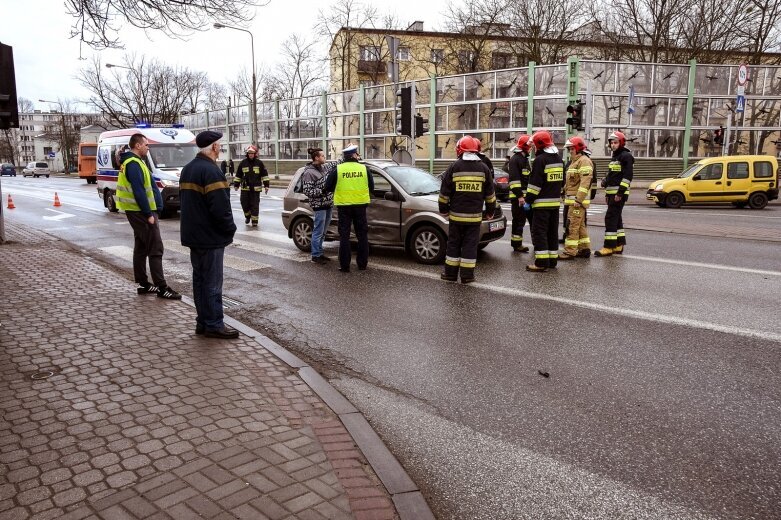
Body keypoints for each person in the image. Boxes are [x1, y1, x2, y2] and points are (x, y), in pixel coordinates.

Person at [179, 130, 239, 339]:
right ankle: (214, 323)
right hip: (210, 238)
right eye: (219, 145)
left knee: (200, 280)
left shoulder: (188, 169)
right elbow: (220, 208)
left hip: (194, 236)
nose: (220, 148)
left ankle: (203, 321)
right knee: (212, 283)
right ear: (213, 147)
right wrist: (230, 228)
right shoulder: (211, 171)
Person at [116, 133, 181, 300]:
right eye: (146, 144)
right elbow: (138, 191)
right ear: (137, 145)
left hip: (139, 212)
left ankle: (144, 284)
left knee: (141, 247)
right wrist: (148, 214)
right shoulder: (133, 164)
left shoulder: (134, 162)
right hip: (142, 212)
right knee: (155, 248)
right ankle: (162, 287)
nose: (148, 147)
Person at [438, 135, 496, 284]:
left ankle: (450, 274)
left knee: (453, 244)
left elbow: (444, 193)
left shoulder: (454, 167)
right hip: (474, 218)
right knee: (470, 246)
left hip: (456, 217)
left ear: (460, 149)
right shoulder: (484, 168)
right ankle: (467, 276)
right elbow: (490, 195)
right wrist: (490, 212)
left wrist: (443, 209)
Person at [324, 144, 373, 272]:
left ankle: (345, 266)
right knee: (362, 235)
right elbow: (371, 187)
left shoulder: (338, 169)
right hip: (361, 206)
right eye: (357, 154)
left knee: (344, 236)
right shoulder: (364, 169)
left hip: (344, 207)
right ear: (354, 155)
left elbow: (328, 186)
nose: (358, 155)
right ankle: (362, 264)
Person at [524, 131, 564, 272]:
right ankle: (552, 260)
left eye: (534, 145)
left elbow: (535, 184)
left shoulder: (540, 160)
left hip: (541, 204)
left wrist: (528, 200)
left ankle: (541, 262)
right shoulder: (559, 159)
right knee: (552, 232)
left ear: (540, 145)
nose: (534, 148)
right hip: (554, 204)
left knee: (539, 232)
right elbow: (562, 181)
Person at [595, 131, 634, 257]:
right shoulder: (615, 157)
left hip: (618, 194)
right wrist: (606, 188)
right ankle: (619, 245)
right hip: (612, 193)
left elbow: (628, 176)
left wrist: (620, 193)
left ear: (621, 143)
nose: (613, 145)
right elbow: (612, 176)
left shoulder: (625, 156)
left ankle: (609, 247)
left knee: (610, 218)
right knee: (617, 219)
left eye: (615, 142)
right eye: (611, 143)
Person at [558, 136, 593, 260]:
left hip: (577, 202)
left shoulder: (584, 161)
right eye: (569, 149)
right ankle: (584, 249)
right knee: (580, 225)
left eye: (571, 148)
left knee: (572, 225)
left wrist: (579, 199)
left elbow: (585, 183)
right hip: (573, 201)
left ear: (578, 148)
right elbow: (571, 183)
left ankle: (569, 252)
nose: (570, 151)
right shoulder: (575, 162)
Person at [301, 147, 334, 264]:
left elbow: (336, 164)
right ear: (316, 158)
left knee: (324, 231)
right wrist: (323, 191)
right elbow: (308, 191)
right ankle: (315, 255)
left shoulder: (323, 168)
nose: (325, 158)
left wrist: (349, 154)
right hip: (319, 204)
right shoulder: (309, 172)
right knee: (318, 230)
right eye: (323, 156)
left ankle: (319, 252)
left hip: (328, 203)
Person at [507, 135, 533, 252]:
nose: (531, 148)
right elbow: (514, 181)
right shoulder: (515, 160)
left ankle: (524, 243)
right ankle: (517, 245)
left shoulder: (524, 160)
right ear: (525, 147)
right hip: (518, 199)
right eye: (529, 146)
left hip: (525, 198)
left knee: (526, 221)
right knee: (518, 221)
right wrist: (520, 196)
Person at [233, 145, 269, 227]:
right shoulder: (243, 163)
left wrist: (266, 186)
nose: (251, 155)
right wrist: (236, 185)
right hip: (245, 188)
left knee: (255, 205)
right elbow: (238, 175)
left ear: (255, 154)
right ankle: (248, 216)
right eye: (249, 153)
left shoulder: (259, 163)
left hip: (256, 189)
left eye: (252, 153)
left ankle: (254, 221)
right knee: (244, 203)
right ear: (247, 154)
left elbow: (265, 175)